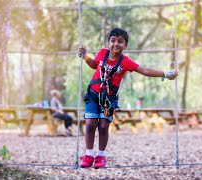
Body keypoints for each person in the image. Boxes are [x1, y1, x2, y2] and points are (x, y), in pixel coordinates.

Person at [76, 28, 178, 168]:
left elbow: (144, 70)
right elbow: (95, 65)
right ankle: (88, 155)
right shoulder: (102, 53)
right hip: (93, 94)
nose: (116, 44)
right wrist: (85, 57)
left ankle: (100, 156)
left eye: (120, 41)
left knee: (104, 126)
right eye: (113, 40)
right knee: (90, 124)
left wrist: (164, 74)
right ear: (109, 42)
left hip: (108, 99)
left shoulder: (125, 62)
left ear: (125, 45)